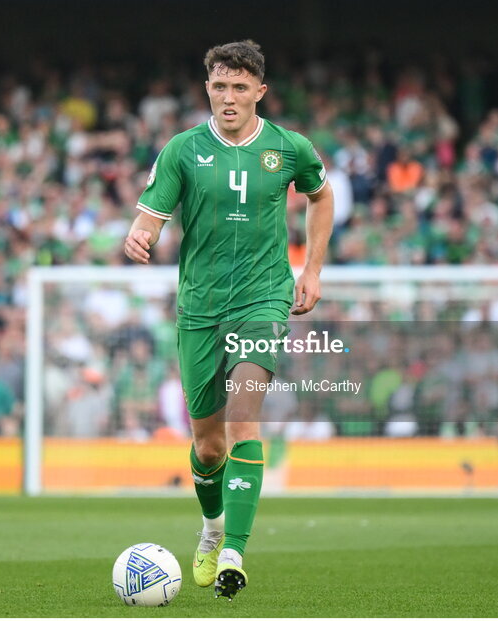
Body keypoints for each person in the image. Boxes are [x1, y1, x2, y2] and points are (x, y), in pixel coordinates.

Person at [122, 40, 333, 600]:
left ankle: (235, 551)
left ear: (260, 91)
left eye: (241, 87)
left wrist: (310, 269)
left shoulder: (289, 148)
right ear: (207, 90)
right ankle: (213, 527)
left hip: (263, 299)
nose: (229, 97)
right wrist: (140, 235)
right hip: (200, 308)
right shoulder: (183, 150)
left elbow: (321, 195)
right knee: (210, 446)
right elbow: (150, 215)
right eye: (220, 86)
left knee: (243, 421)